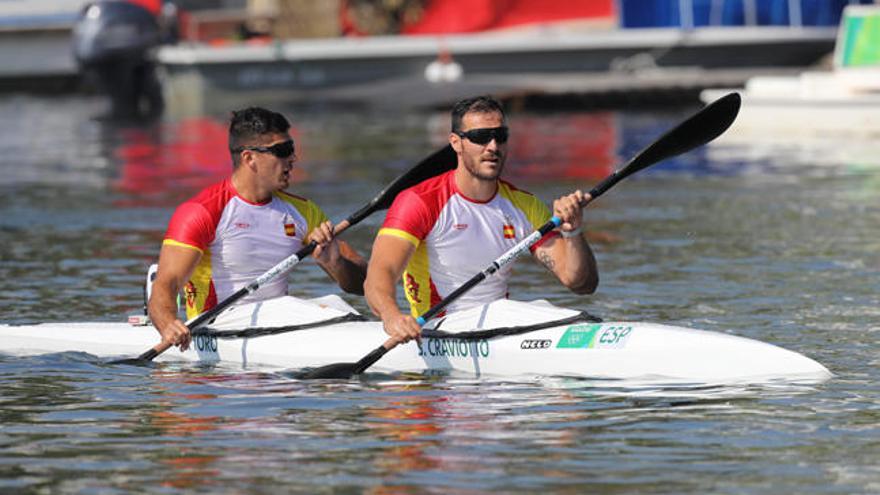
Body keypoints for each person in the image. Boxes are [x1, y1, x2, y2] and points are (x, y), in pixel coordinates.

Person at [364, 95, 598, 345]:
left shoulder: (524, 206)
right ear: (456, 143)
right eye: (480, 137)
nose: (493, 146)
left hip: (500, 324)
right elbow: (380, 273)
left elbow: (581, 283)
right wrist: (392, 317)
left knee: (545, 308)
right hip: (439, 327)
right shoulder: (420, 201)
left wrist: (573, 232)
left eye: (501, 136)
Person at [148, 107, 367, 351]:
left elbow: (362, 284)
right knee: (323, 308)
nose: (293, 159)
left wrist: (335, 263)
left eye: (292, 149)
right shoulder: (202, 211)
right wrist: (168, 324)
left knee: (336, 303)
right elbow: (166, 284)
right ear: (249, 158)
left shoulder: (304, 212)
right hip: (216, 323)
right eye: (282, 151)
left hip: (278, 321)